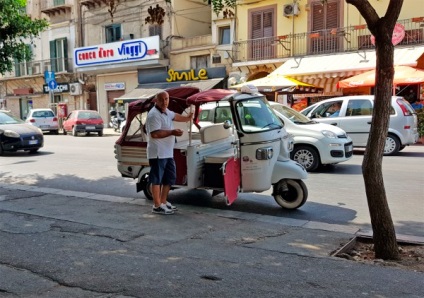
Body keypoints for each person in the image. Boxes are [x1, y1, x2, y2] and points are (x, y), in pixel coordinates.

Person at [145, 91, 193, 215]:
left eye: (166, 99)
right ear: (156, 101)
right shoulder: (153, 115)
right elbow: (155, 134)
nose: (165, 102)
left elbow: (175, 116)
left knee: (169, 178)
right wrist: (172, 132)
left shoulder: (167, 111)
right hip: (158, 153)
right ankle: (156, 206)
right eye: (161, 99)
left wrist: (188, 118)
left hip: (167, 152)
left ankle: (163, 202)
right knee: (157, 180)